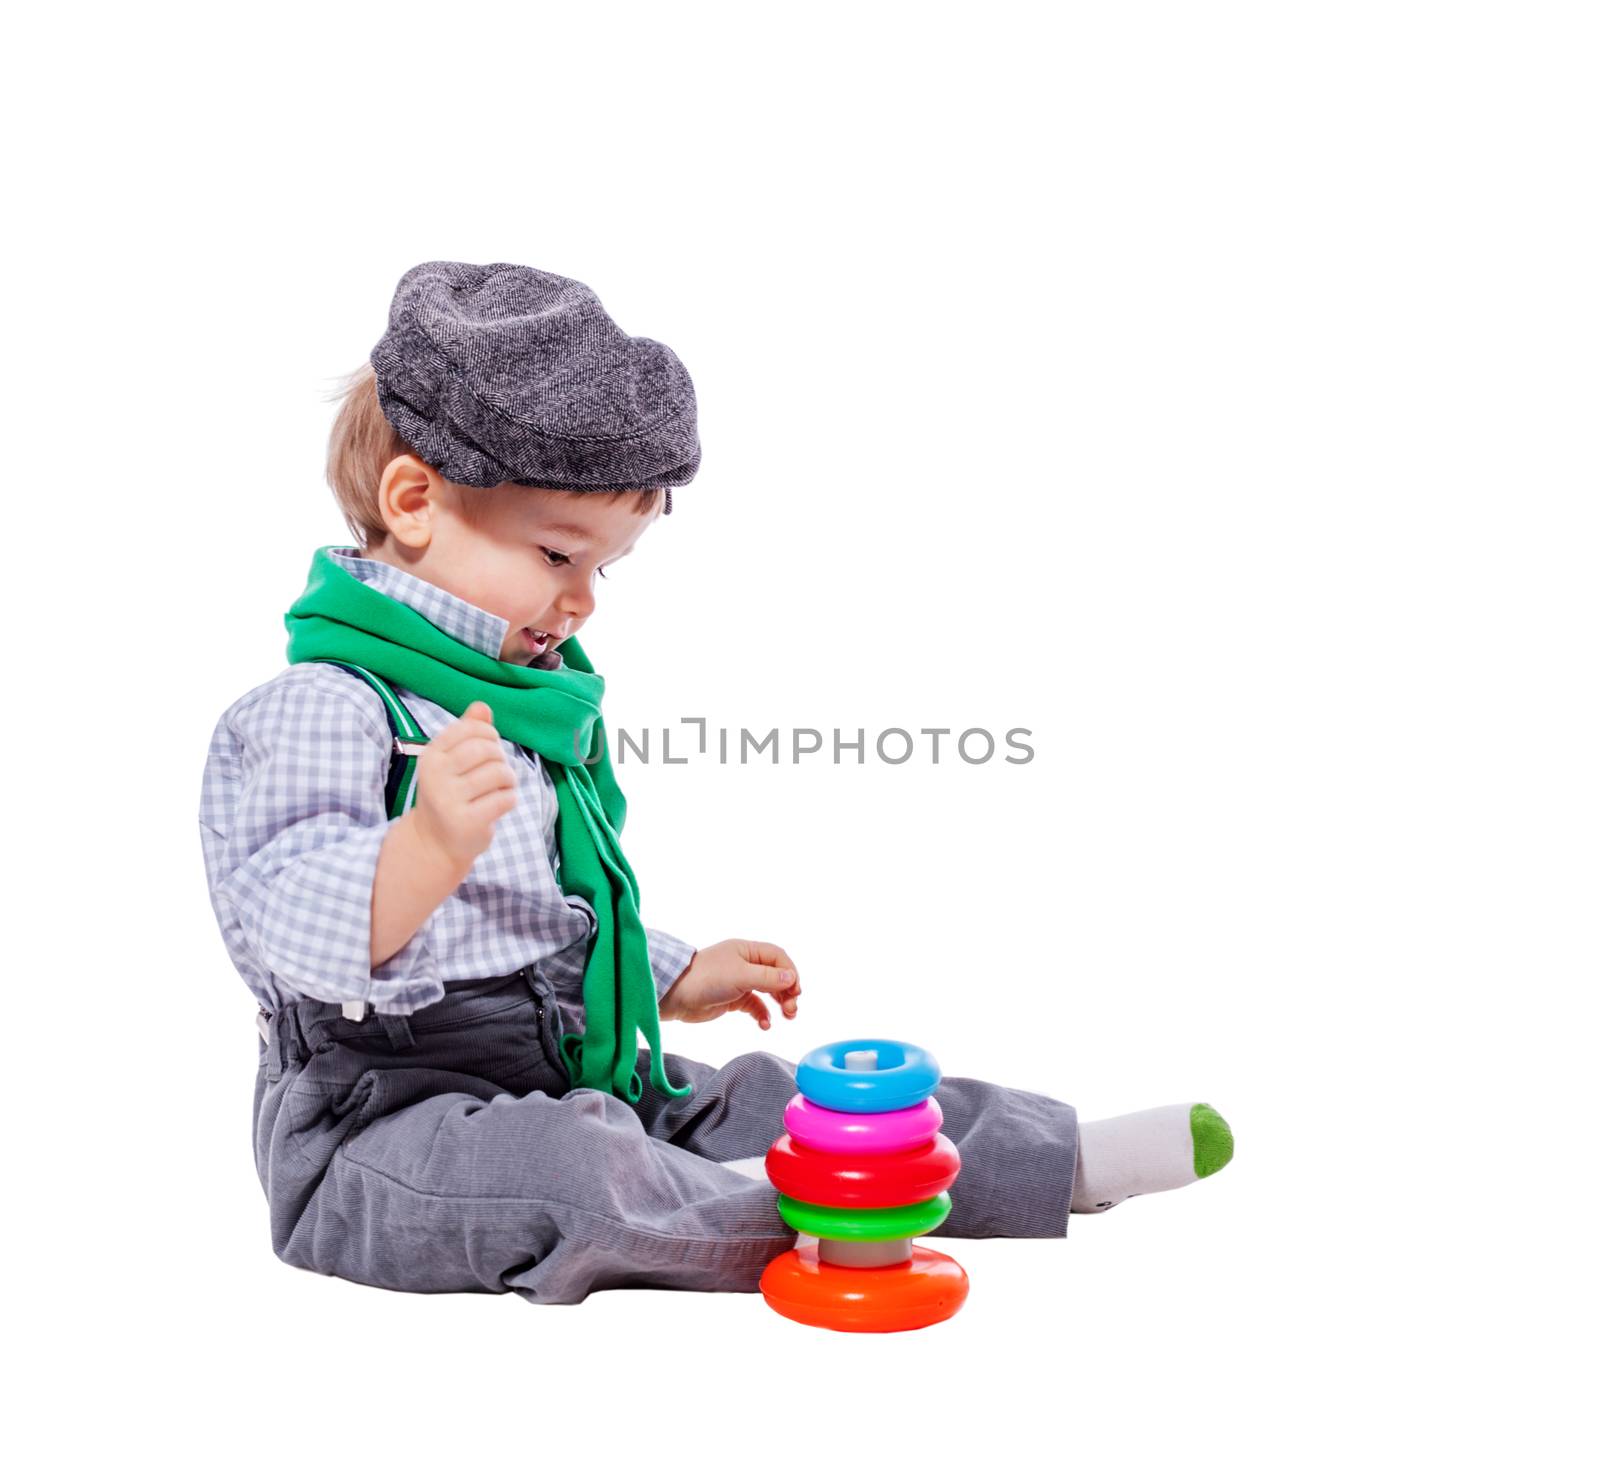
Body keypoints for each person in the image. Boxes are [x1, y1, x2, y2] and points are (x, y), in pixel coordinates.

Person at [198, 261, 1233, 1305]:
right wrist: (420, 851)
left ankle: (1048, 1163)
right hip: (383, 1124)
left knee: (764, 1099)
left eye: (601, 568)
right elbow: (290, 931)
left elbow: (547, 922)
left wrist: (670, 976)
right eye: (560, 555)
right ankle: (812, 1217)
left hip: (570, 1063)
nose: (583, 601)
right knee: (567, 1169)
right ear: (415, 501)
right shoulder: (320, 708)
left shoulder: (523, 702)